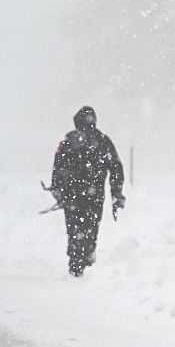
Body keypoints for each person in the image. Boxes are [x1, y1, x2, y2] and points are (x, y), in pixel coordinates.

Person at [50, 105, 126, 277]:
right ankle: (86, 254)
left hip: (72, 196)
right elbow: (116, 167)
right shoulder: (103, 141)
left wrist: (57, 187)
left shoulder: (68, 142)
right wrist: (116, 191)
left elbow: (58, 167)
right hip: (94, 195)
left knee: (74, 228)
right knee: (90, 227)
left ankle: (76, 261)